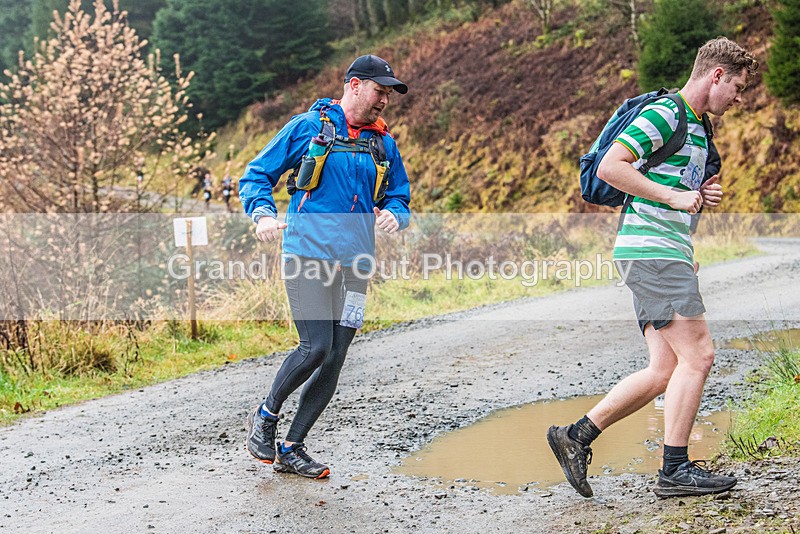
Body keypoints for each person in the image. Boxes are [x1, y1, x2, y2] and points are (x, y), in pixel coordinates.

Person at [547, 37, 758, 499]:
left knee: (665, 368)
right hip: (651, 252)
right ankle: (674, 471)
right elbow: (610, 167)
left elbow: (672, 186)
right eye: (738, 88)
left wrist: (696, 203)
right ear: (716, 75)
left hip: (663, 250)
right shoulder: (666, 113)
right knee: (699, 355)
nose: (740, 99)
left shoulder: (700, 129)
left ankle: (575, 437)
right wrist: (671, 197)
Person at [238, 54, 411, 479]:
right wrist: (261, 213)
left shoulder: (383, 143)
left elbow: (399, 196)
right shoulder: (308, 128)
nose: (385, 100)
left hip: (355, 265)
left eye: (389, 94)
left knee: (334, 358)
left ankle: (292, 447)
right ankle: (265, 415)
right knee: (314, 347)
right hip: (308, 255)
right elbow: (256, 175)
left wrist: (395, 214)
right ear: (354, 85)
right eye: (379, 91)